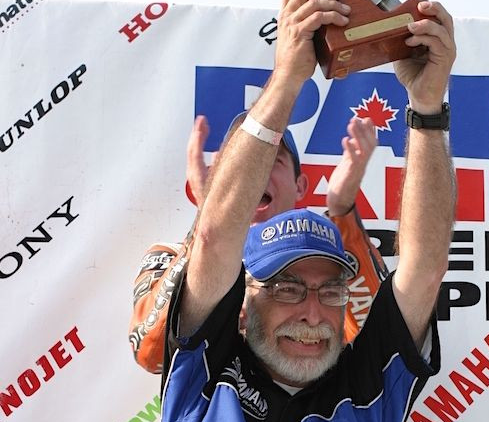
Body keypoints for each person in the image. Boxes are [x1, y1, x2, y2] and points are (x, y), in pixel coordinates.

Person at [158, 0, 456, 422]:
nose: (314, 314)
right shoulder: (206, 368)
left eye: (330, 290)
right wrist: (289, 75)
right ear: (245, 303)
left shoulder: (366, 393)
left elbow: (424, 267)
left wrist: (429, 108)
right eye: (289, 287)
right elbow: (217, 239)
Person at [130, 109, 388, 375]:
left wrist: (342, 211)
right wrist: (208, 221)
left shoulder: (321, 268)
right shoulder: (168, 255)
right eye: (241, 163)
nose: (254, 175)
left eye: (273, 160)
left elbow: (375, 344)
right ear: (219, 181)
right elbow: (152, 353)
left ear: (300, 186)